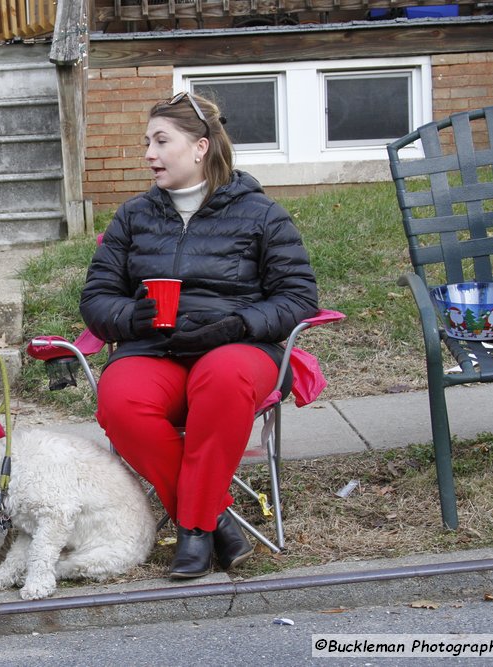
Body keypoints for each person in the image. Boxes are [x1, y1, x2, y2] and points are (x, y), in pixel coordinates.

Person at [79, 92, 318, 580]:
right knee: (120, 400)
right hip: (155, 349)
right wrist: (135, 318)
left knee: (224, 375)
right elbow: (97, 299)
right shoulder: (133, 217)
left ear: (200, 147)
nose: (149, 153)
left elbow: (298, 298)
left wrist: (240, 325)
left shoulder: (261, 215)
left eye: (161, 141)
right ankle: (215, 519)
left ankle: (191, 531)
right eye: (147, 142)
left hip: (239, 349)